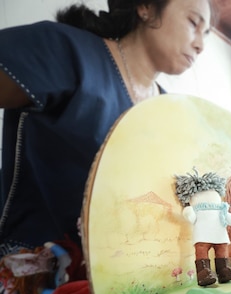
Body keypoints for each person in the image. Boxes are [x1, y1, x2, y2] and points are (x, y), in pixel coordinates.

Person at [0, 0, 217, 258]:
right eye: (194, 23)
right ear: (145, 7)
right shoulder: (69, 52)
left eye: (205, 34)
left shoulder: (166, 109)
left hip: (134, 275)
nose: (200, 45)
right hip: (38, 273)